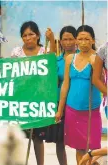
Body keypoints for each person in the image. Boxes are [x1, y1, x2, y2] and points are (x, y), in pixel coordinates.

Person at [56, 25, 102, 165]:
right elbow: (65, 85)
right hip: (72, 110)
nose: (83, 42)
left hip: (90, 111)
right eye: (80, 39)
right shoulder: (70, 58)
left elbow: (100, 81)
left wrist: (96, 65)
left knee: (93, 152)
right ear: (76, 40)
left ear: (92, 40)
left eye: (87, 39)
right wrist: (60, 110)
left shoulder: (97, 59)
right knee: (79, 149)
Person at [10, 21, 52, 165]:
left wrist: (51, 40)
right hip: (20, 99)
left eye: (31, 34)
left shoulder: (45, 52)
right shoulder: (16, 53)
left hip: (39, 100)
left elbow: (52, 68)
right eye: (24, 35)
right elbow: (12, 74)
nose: (28, 38)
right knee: (20, 135)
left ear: (38, 35)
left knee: (38, 137)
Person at [45, 26, 78, 165]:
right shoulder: (57, 60)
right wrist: (50, 40)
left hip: (75, 103)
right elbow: (50, 69)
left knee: (79, 140)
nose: (68, 42)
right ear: (61, 41)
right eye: (65, 39)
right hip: (59, 103)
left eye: (71, 38)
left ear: (76, 40)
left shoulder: (80, 59)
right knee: (60, 141)